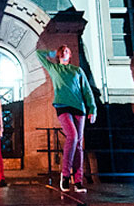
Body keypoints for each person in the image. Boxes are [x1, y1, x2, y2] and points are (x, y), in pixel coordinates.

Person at [36, 45, 96, 193]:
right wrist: (52, 52)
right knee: (73, 136)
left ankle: (78, 181)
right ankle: (65, 175)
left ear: (70, 55)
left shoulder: (77, 70)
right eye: (62, 51)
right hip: (62, 106)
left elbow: (87, 90)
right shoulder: (54, 68)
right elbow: (38, 54)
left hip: (79, 108)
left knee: (78, 145)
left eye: (67, 51)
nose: (64, 52)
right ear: (58, 54)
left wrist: (92, 109)